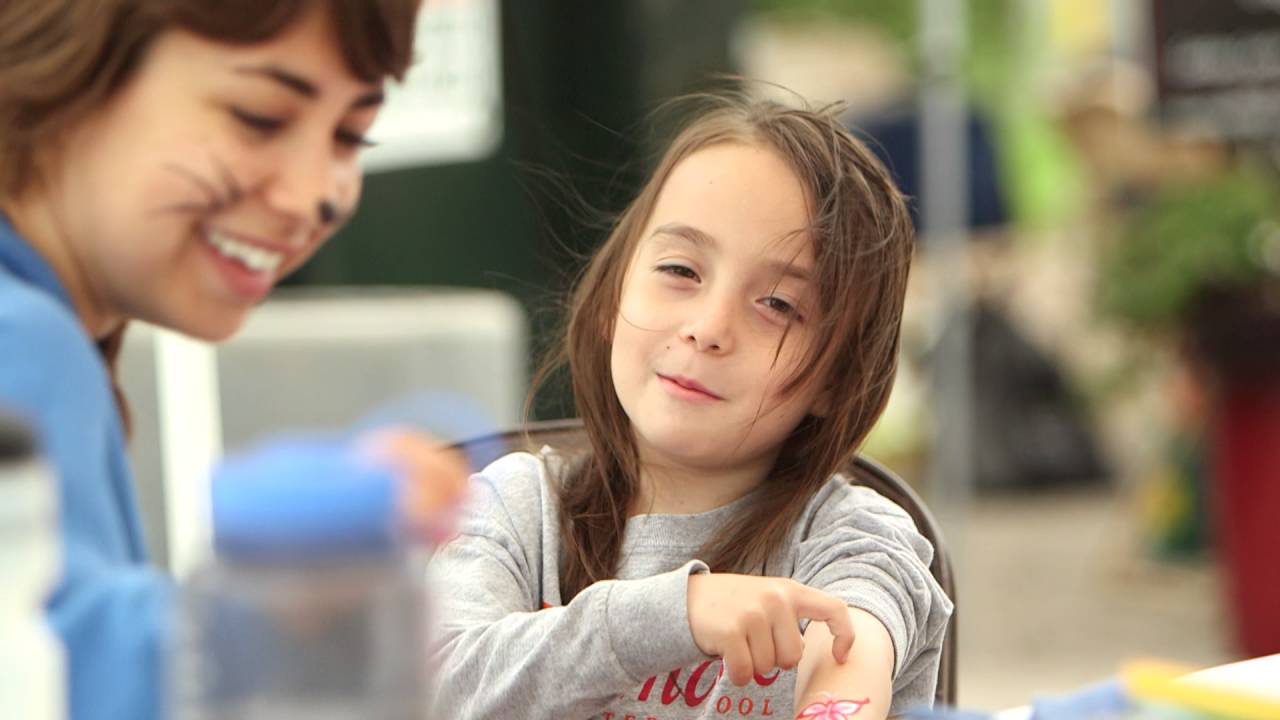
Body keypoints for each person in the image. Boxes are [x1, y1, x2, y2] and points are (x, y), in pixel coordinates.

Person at [0, 2, 468, 719]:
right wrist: (296, 585)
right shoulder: (22, 334)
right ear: (69, 68)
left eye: (350, 137)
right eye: (260, 117)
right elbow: (56, 667)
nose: (312, 194)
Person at [429, 94, 953, 719]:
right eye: (680, 269)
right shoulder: (510, 511)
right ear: (610, 300)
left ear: (837, 381)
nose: (709, 327)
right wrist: (674, 615)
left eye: (779, 305)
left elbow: (847, 673)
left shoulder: (855, 541)